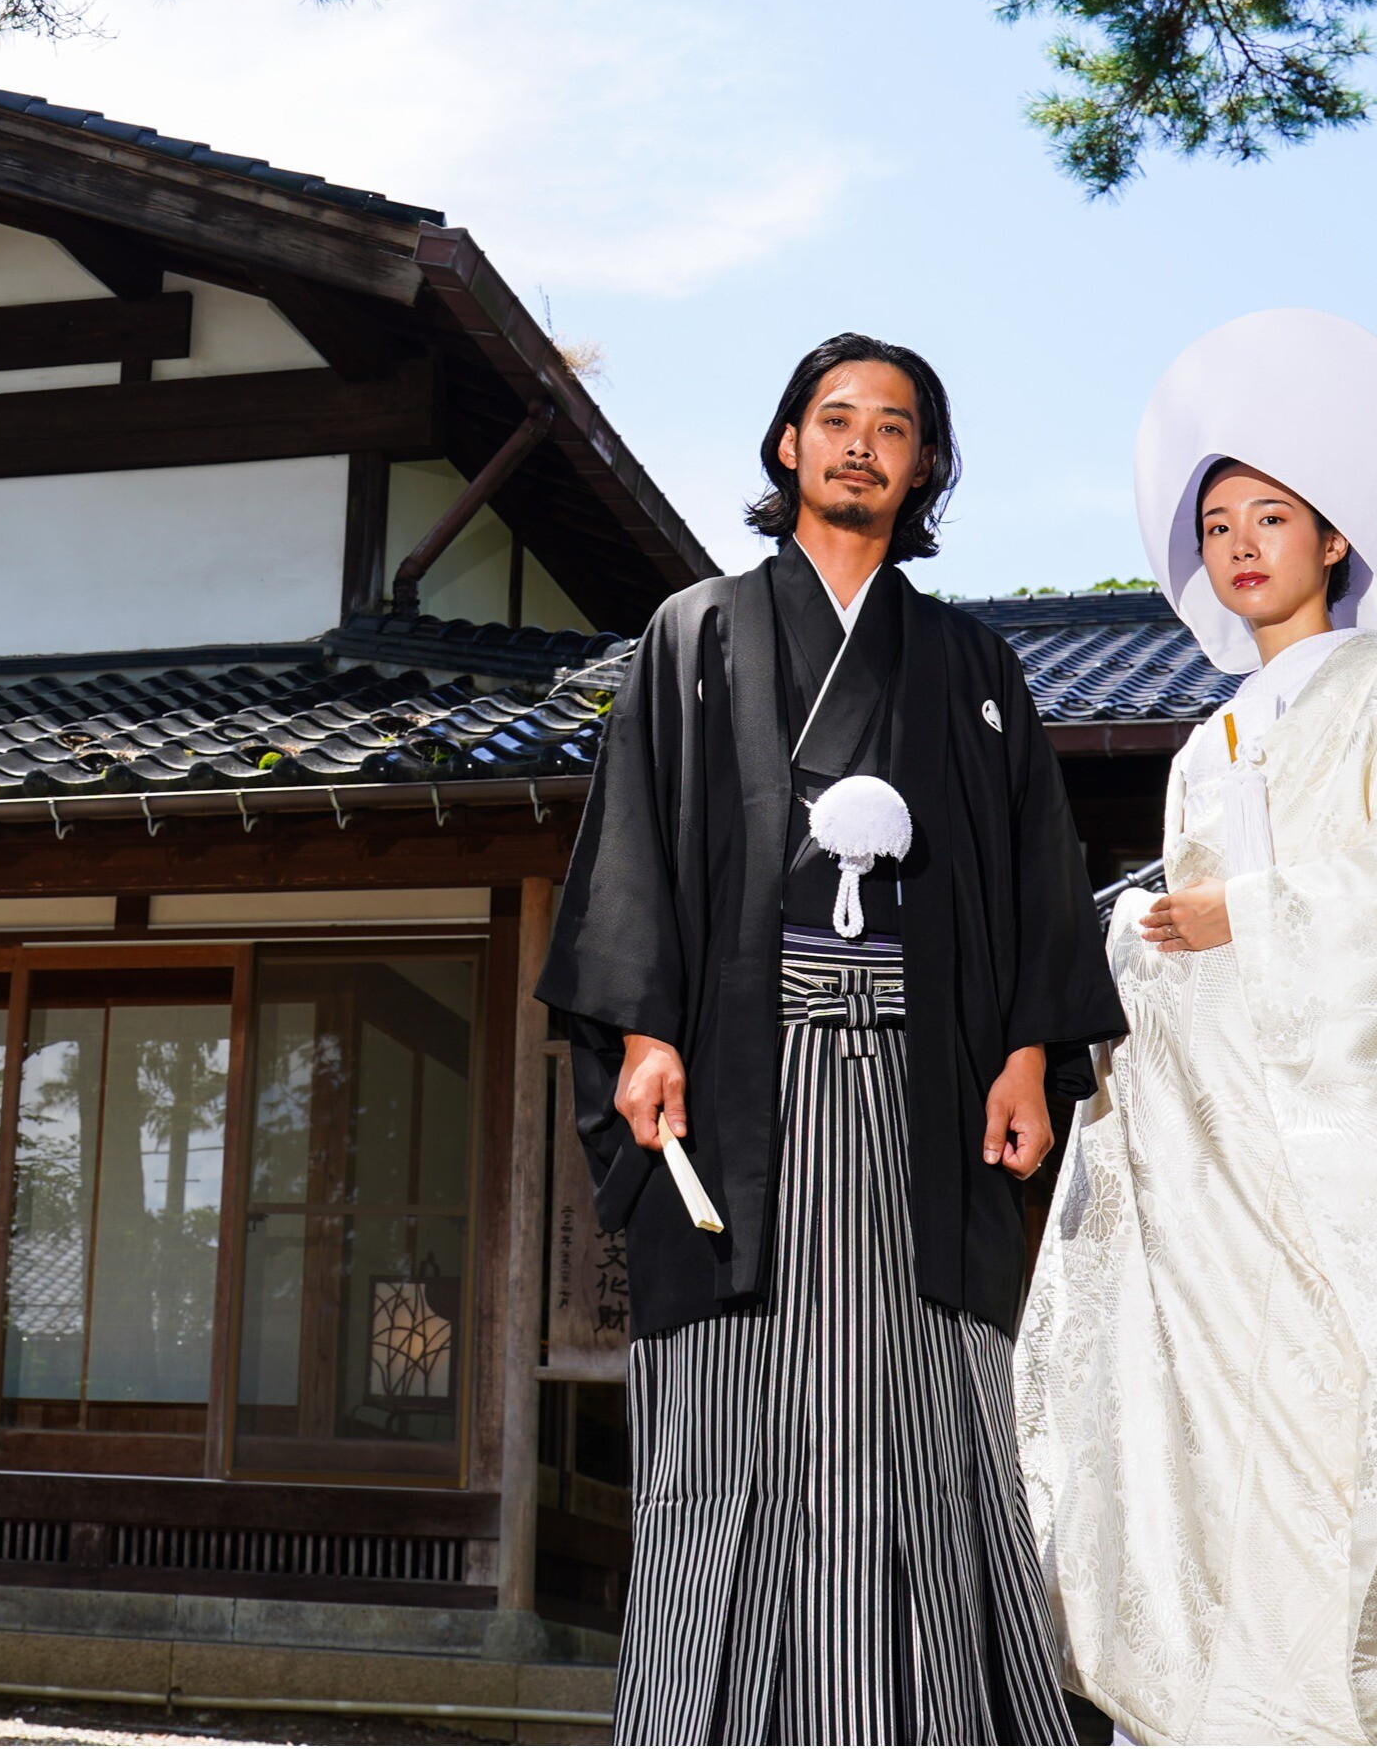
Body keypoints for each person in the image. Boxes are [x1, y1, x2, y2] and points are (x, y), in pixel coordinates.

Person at [540, 333, 1126, 1746]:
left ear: (925, 466)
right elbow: (633, 853)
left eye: (895, 425)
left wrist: (1029, 1056)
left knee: (923, 1398)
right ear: (788, 445)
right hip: (744, 1075)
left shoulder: (977, 666)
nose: (863, 443)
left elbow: (1036, 879)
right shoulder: (695, 636)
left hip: (929, 1085)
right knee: (731, 1400)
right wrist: (639, 1033)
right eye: (836, 417)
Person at [1015, 309, 1377, 1746]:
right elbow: (1194, 911)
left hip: (1334, 1130)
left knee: (1336, 1419)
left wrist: (1249, 918)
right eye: (1218, 522)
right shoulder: (1205, 739)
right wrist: (1144, 944)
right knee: (1199, 1423)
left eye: (1273, 515)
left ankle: (1328, 1705)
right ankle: (1217, 1695)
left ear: (1335, 540)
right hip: (1214, 1130)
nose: (1243, 543)